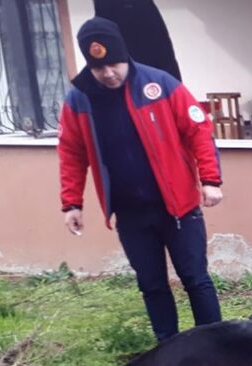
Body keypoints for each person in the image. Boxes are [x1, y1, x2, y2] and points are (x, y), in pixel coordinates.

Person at [58, 17, 223, 342]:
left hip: (178, 209)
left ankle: (216, 344)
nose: (108, 74)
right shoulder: (78, 98)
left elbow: (199, 131)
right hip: (130, 214)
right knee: (151, 284)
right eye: (99, 67)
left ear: (125, 55)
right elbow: (71, 153)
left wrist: (210, 180)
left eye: (114, 64)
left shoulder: (160, 84)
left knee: (195, 279)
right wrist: (71, 203)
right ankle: (167, 348)